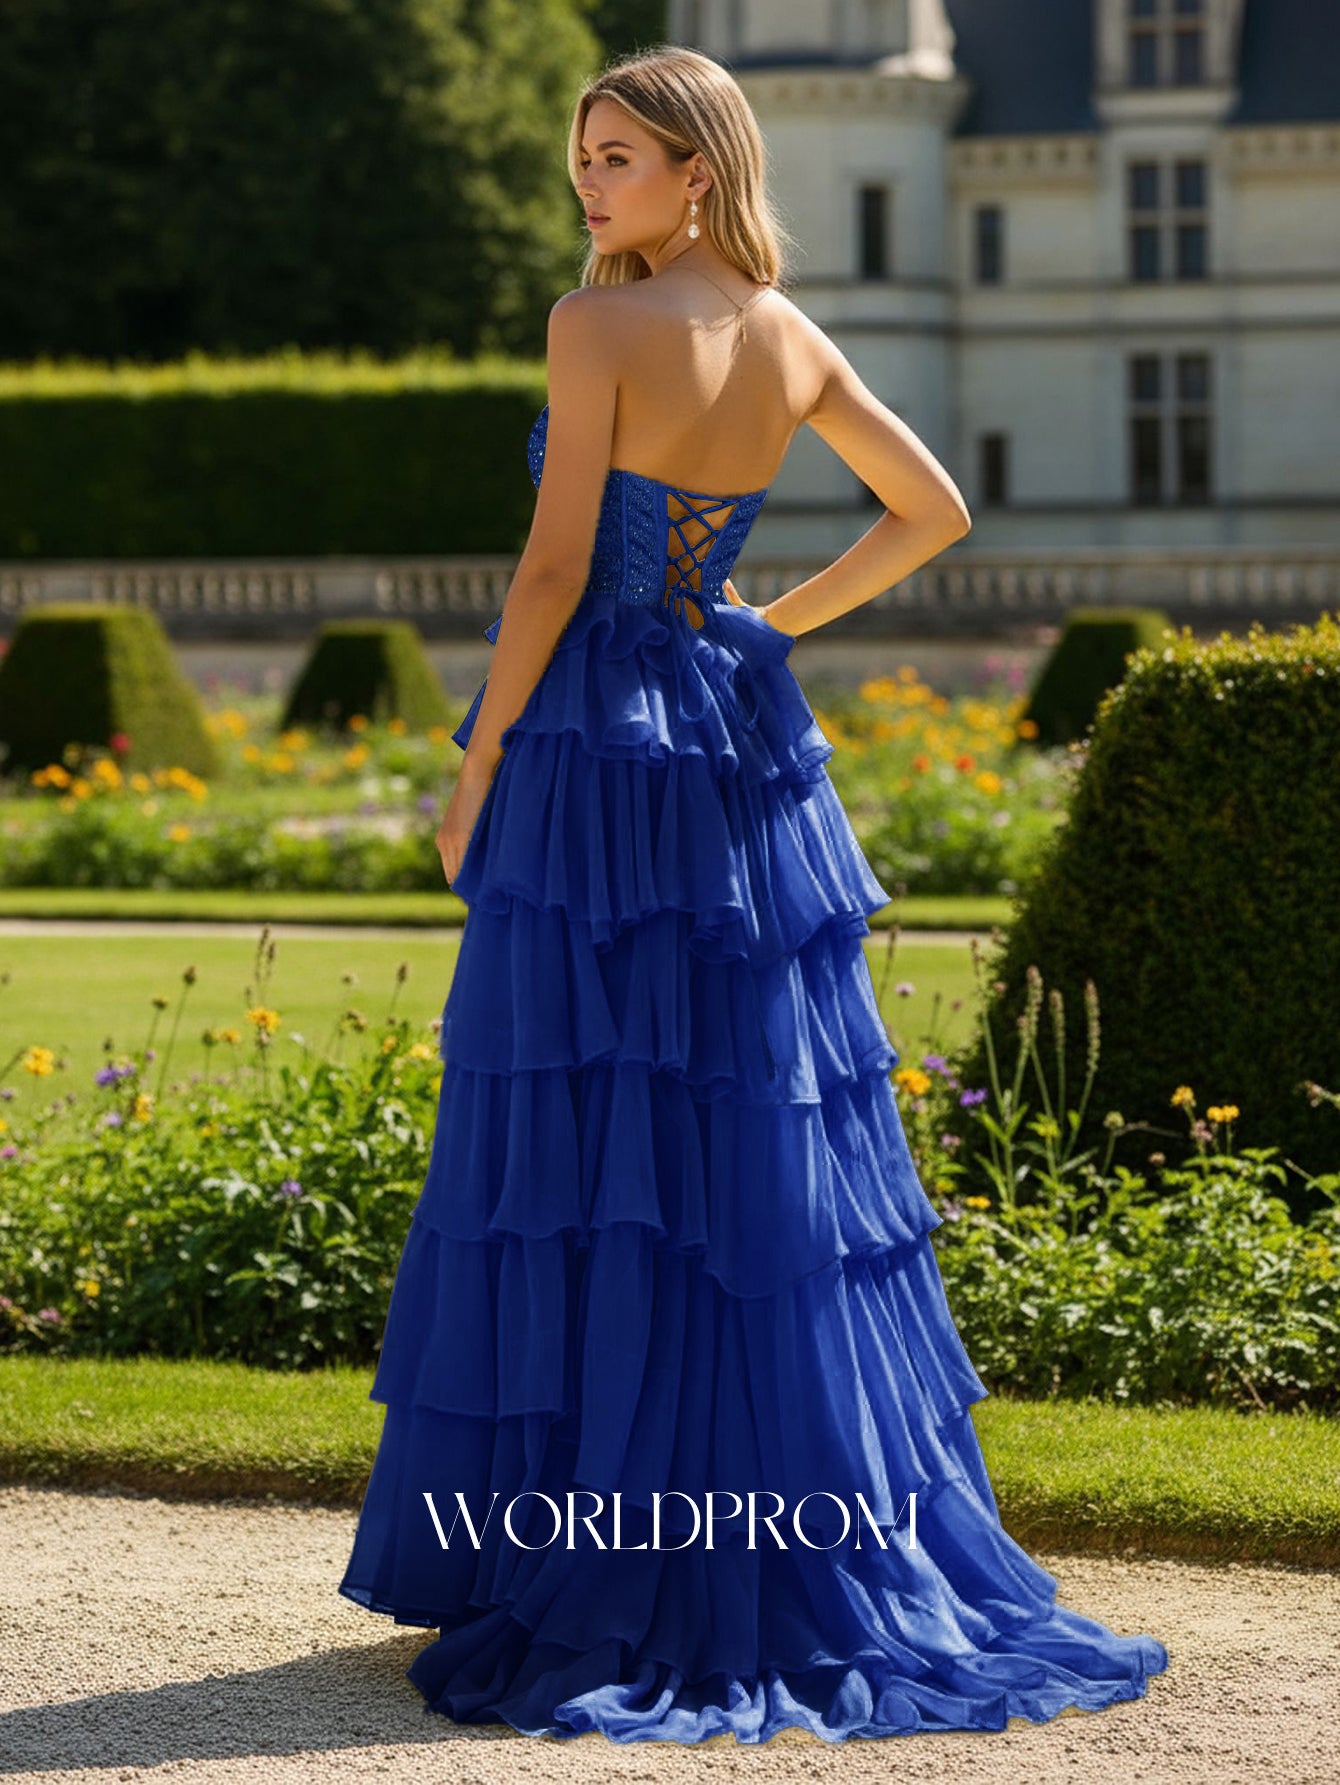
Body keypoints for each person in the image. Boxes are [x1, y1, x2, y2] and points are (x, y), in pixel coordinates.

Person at [338, 42, 1170, 1744]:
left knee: (581, 1124)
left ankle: (582, 1548)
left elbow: (554, 569)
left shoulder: (595, 329)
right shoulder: (786, 334)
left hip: (595, 748)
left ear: (697, 169)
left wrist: (476, 763)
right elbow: (932, 509)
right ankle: (757, 1535)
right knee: (739, 1123)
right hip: (726, 740)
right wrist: (769, 627)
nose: (589, 182)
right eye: (583, 156)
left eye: (619, 157)